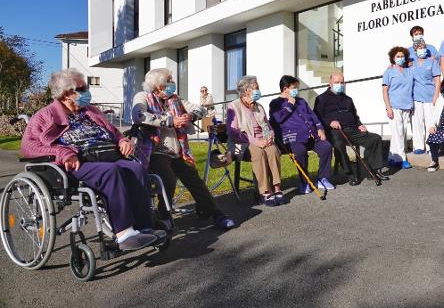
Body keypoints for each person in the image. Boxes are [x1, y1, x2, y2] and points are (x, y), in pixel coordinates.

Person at [21, 69, 162, 251]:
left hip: (108, 154)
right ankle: (124, 234)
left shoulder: (91, 111)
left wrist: (122, 140)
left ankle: (144, 227)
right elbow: (27, 147)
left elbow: (113, 131)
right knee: (111, 173)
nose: (87, 91)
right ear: (66, 94)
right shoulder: (44, 115)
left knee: (136, 168)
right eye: (82, 88)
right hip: (79, 162)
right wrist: (62, 153)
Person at [132, 68, 236, 230]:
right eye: (169, 80)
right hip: (154, 151)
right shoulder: (143, 97)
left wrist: (191, 116)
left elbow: (200, 109)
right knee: (167, 177)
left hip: (178, 151)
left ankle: (215, 212)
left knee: (194, 179)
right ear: (159, 86)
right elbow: (139, 115)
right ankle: (164, 215)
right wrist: (170, 121)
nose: (173, 83)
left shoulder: (175, 99)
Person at [313, 72, 388, 185]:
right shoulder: (321, 99)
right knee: (338, 144)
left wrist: (359, 124)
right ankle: (350, 173)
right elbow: (317, 117)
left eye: (342, 82)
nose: (340, 84)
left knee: (375, 138)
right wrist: (330, 122)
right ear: (330, 83)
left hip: (353, 130)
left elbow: (355, 116)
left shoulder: (348, 99)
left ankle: (373, 171)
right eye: (337, 82)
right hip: (335, 131)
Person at [269, 75, 334, 193]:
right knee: (300, 151)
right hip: (293, 138)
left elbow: (314, 116)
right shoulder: (275, 103)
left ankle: (322, 178)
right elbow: (277, 119)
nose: (296, 90)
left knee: (326, 147)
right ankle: (305, 181)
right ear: (285, 89)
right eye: (294, 87)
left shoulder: (302, 101)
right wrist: (289, 105)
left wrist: (320, 128)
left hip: (311, 135)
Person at [226, 75, 285, 206]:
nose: (259, 90)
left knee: (273, 150)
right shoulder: (233, 106)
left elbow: (267, 125)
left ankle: (276, 187)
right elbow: (232, 131)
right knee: (258, 152)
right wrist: (255, 141)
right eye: (256, 88)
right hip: (244, 142)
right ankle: (264, 191)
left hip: (262, 139)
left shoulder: (259, 106)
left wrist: (270, 136)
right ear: (247, 90)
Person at [382, 46, 414, 169]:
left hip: (406, 105)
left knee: (401, 133)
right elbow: (384, 91)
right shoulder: (389, 72)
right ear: (393, 58)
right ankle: (403, 158)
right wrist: (388, 107)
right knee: (398, 133)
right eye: (398, 56)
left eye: (402, 56)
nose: (400, 58)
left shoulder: (409, 71)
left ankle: (391, 158)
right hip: (394, 106)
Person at [410, 40, 441, 155]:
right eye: (419, 47)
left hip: (430, 95)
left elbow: (437, 79)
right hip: (416, 96)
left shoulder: (432, 62)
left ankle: (430, 145)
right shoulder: (411, 63)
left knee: (430, 121)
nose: (421, 49)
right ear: (415, 50)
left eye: (423, 47)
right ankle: (418, 146)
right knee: (417, 122)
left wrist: (436, 94)